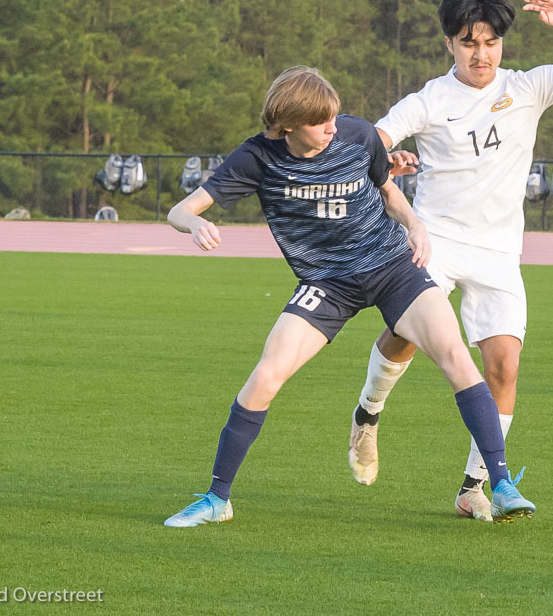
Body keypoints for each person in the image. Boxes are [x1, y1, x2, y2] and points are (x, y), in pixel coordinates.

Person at [162, 66, 534, 527]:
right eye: (321, 122)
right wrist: (196, 223)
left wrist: (415, 225)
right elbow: (181, 210)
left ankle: (498, 484)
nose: (334, 127)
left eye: (334, 117)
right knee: (266, 375)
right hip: (326, 283)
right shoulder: (257, 157)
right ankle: (218, 498)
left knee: (456, 357)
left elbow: (387, 191)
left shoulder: (358, 135)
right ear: (287, 126)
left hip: (392, 268)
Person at [347, 0, 553, 521]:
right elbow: (369, 140)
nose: (482, 54)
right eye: (470, 42)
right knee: (406, 337)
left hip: (498, 252)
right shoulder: (429, 100)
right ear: (450, 43)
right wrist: (387, 160)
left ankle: (474, 487)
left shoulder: (530, 87)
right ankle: (368, 413)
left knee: (504, 366)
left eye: (491, 42)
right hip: (434, 241)